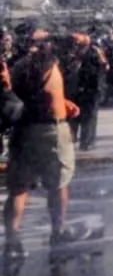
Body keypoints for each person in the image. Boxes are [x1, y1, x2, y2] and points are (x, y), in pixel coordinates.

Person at [3, 26, 82, 259]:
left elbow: (30, 95)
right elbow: (77, 39)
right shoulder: (44, 58)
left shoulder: (18, 65)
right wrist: (51, 37)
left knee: (19, 188)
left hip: (23, 130)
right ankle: (58, 231)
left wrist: (62, 100)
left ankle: (12, 241)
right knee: (58, 183)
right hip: (49, 131)